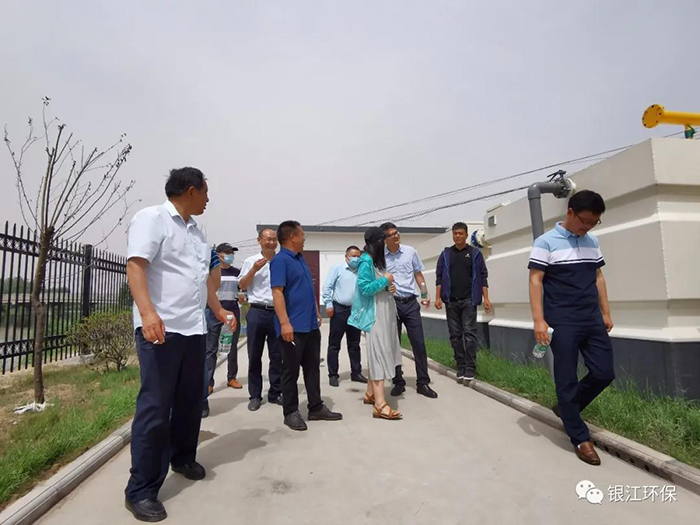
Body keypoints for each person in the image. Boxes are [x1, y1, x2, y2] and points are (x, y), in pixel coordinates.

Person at [124, 167, 236, 522]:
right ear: (191, 190)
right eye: (205, 192)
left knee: (190, 401)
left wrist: (218, 310)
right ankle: (140, 490)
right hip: (162, 330)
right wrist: (147, 313)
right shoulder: (152, 219)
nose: (208, 199)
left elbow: (201, 281)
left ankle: (183, 457)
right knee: (156, 408)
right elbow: (136, 267)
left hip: (193, 330)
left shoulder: (197, 233)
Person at [528, 190, 615, 466]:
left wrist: (605, 312)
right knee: (566, 377)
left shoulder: (592, 241)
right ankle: (579, 437)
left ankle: (567, 408)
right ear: (570, 213)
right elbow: (535, 280)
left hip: (591, 318)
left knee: (604, 372)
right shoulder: (546, 242)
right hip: (562, 320)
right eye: (584, 221)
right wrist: (539, 321)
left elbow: (598, 277)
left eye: (593, 222)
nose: (587, 227)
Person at [270, 220, 343, 431]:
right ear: (292, 237)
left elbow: (305, 289)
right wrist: (284, 322)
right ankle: (290, 412)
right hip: (292, 327)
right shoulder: (280, 261)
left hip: (309, 325)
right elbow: (277, 293)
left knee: (312, 369)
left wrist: (315, 312)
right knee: (290, 371)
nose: (304, 239)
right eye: (302, 235)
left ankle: (316, 407)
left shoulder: (300, 258)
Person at [349, 227, 403, 420]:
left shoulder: (377, 262)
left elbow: (378, 286)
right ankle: (380, 405)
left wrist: (388, 287)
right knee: (378, 354)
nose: (386, 243)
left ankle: (371, 393)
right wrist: (385, 281)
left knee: (381, 352)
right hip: (375, 315)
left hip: (385, 313)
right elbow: (364, 288)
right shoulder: (366, 261)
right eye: (383, 240)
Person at [380, 222, 438, 399]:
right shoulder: (380, 257)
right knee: (394, 345)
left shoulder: (410, 251)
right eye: (392, 234)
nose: (396, 236)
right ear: (385, 239)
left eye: (397, 233)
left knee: (418, 343)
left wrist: (425, 293)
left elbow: (418, 274)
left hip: (411, 303)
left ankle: (423, 382)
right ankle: (398, 381)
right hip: (392, 304)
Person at [435, 222, 492, 382]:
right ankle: (460, 365)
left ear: (466, 235)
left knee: (469, 334)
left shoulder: (475, 254)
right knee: (455, 336)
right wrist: (438, 298)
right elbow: (439, 277)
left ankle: (470, 367)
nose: (458, 236)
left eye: (460, 233)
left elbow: (483, 277)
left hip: (469, 300)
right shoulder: (446, 254)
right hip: (451, 301)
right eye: (455, 233)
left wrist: (486, 298)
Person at [238, 229, 283, 411]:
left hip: (277, 313)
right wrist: (254, 270)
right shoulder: (251, 261)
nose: (271, 242)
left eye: (274, 240)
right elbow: (242, 285)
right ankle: (255, 395)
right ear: (259, 240)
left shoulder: (281, 261)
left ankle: (275, 392)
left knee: (277, 356)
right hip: (257, 312)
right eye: (268, 239)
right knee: (254, 355)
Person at [202, 243, 242, 418]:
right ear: (218, 255)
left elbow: (242, 291)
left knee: (232, 347)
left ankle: (231, 377)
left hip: (232, 312)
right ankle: (209, 382)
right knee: (211, 349)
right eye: (227, 253)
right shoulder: (212, 273)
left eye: (232, 253)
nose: (230, 255)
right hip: (214, 312)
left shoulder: (237, 272)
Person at [322, 245, 367, 387]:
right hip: (339, 310)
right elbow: (327, 286)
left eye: (358, 256)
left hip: (356, 311)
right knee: (334, 344)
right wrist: (328, 304)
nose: (356, 259)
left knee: (354, 344)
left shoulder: (362, 271)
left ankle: (356, 372)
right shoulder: (337, 269)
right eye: (353, 256)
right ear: (346, 257)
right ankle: (333, 374)